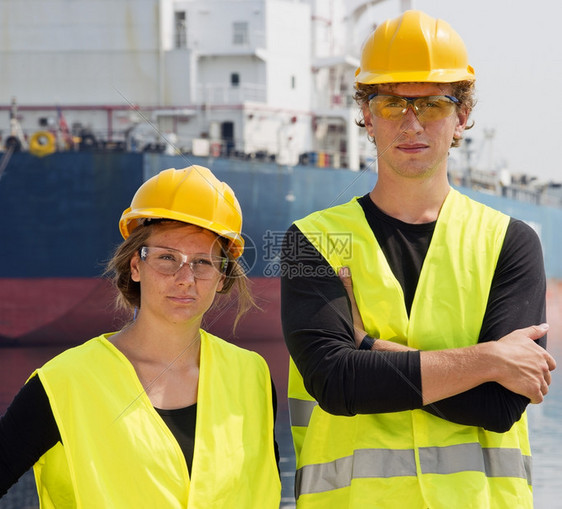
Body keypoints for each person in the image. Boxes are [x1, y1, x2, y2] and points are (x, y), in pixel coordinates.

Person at [281, 10, 556, 509]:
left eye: (432, 103)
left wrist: (367, 347)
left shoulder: (509, 242)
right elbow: (336, 382)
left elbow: (499, 405)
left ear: (462, 116)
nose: (411, 123)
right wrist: (488, 360)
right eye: (390, 103)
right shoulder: (311, 240)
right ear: (365, 114)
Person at [0, 165, 281, 507]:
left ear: (222, 277)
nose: (185, 278)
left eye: (203, 263)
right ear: (135, 266)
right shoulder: (63, 384)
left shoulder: (252, 378)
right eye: (166, 258)